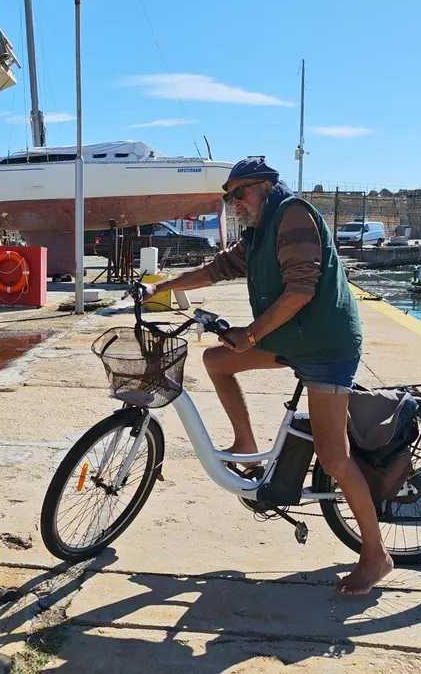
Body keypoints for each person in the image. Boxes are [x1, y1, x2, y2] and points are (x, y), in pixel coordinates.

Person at [142, 156, 392, 596]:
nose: (233, 202)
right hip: (294, 337)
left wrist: (252, 333)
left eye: (239, 192)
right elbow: (218, 269)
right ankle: (245, 443)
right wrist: (161, 287)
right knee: (218, 360)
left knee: (334, 457)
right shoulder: (260, 232)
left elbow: (301, 289)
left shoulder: (292, 216)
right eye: (228, 195)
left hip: (325, 344)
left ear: (264, 187)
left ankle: (376, 555)